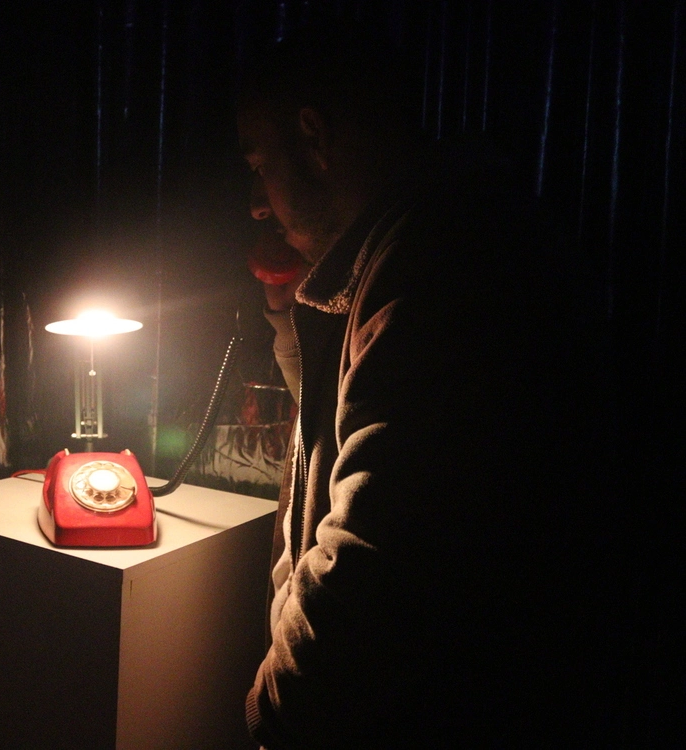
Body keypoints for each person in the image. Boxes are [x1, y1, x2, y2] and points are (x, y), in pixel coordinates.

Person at [238, 17, 610, 748]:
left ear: (313, 137)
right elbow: (344, 428)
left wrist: (273, 709)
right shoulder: (413, 248)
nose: (256, 201)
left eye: (260, 165)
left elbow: (372, 559)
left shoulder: (439, 272)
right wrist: (288, 315)